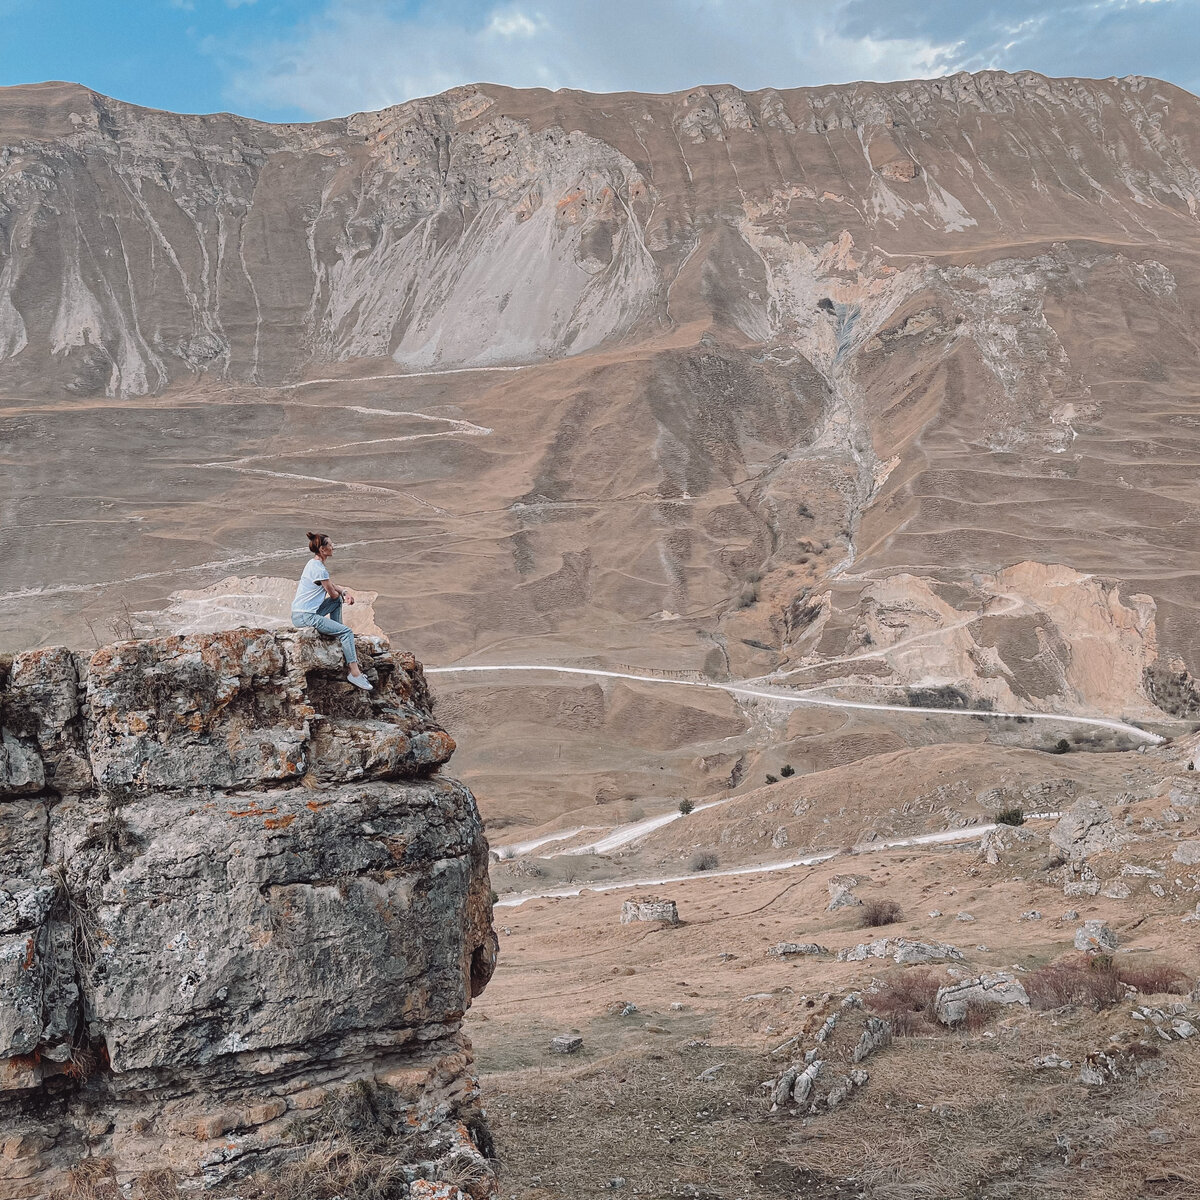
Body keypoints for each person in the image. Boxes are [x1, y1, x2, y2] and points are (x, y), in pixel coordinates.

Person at [291, 531, 373, 690]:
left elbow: (333, 587)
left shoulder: (313, 564)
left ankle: (338, 633)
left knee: (337, 601)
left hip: (300, 614)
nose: (333, 546)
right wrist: (340, 593)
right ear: (322, 550)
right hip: (306, 616)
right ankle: (354, 674)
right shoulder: (320, 570)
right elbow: (332, 592)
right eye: (330, 544)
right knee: (347, 632)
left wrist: (344, 593)